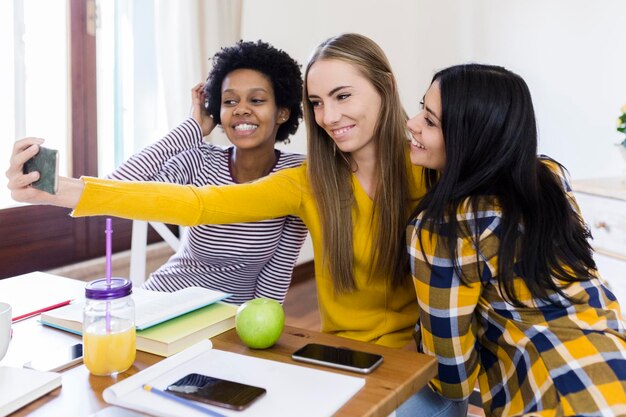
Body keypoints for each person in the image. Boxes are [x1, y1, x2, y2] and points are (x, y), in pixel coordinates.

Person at [8, 33, 467, 416]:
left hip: (423, 367)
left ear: (385, 85)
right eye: (318, 102)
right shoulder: (309, 181)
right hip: (333, 361)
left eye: (343, 96)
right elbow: (198, 204)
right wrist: (58, 189)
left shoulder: (433, 168)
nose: (329, 117)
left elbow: (514, 171)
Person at [406, 63, 626, 417]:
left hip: (556, 396)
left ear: (471, 139)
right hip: (614, 367)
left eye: (430, 121)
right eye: (422, 109)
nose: (413, 123)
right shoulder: (550, 178)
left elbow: (453, 379)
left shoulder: (442, 229)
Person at [109, 40, 308, 305]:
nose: (241, 109)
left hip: (228, 320)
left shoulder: (296, 174)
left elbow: (275, 276)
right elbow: (115, 189)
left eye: (257, 100)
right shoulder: (201, 160)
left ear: (282, 112)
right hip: (162, 303)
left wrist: (255, 332)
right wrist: (193, 128)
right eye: (229, 101)